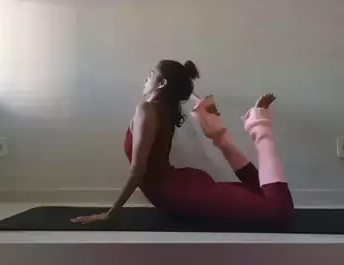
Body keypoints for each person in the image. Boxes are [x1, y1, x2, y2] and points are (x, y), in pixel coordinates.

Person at [71, 60, 294, 225]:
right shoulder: (162, 111)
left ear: (162, 83)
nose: (146, 79)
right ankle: (256, 124)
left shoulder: (147, 110)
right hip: (180, 188)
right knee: (264, 200)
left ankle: (259, 126)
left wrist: (111, 214)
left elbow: (138, 170)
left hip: (178, 193)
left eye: (151, 75)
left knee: (277, 212)